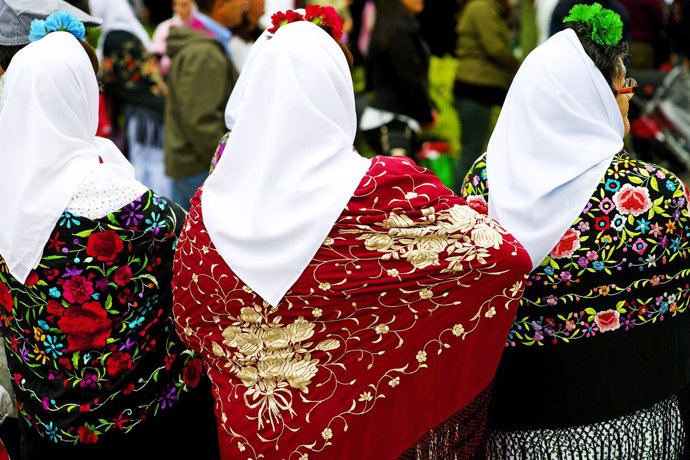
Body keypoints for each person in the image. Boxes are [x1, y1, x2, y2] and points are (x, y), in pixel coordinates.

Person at [172, 7, 533, 459]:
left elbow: (190, 320)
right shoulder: (386, 188)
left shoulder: (210, 205)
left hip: (255, 438)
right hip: (365, 429)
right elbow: (504, 256)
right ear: (337, 91)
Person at [461, 4, 690, 457]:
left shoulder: (485, 184)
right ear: (598, 100)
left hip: (518, 428)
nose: (629, 98)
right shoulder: (655, 193)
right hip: (636, 428)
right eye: (624, 89)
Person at [0, 18, 218, 460]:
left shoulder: (8, 197)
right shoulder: (143, 214)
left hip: (44, 427)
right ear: (81, 97)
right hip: (144, 423)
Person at [164, 0, 245, 209]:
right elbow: (200, 120)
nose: (244, 4)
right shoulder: (204, 51)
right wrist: (228, 164)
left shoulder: (207, 42)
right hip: (198, 166)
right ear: (220, 5)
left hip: (194, 163)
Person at [88, 0, 172, 199]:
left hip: (143, 113)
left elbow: (108, 77)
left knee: (146, 164)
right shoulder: (129, 32)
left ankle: (152, 211)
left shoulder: (115, 38)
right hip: (153, 109)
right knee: (155, 163)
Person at [453, 0, 520, 191]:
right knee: (472, 151)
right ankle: (457, 203)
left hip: (481, 89)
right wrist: (521, 63)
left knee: (475, 150)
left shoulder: (485, 6)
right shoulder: (482, 6)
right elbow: (495, 48)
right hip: (475, 88)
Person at [359, 0, 438, 160]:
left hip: (389, 118)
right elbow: (410, 78)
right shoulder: (397, 29)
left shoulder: (387, 25)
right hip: (394, 123)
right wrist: (427, 113)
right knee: (401, 183)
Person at [151, 0, 197, 77]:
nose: (181, 9)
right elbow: (157, 55)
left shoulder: (200, 27)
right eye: (178, 5)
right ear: (174, 6)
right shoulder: (165, 27)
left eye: (184, 5)